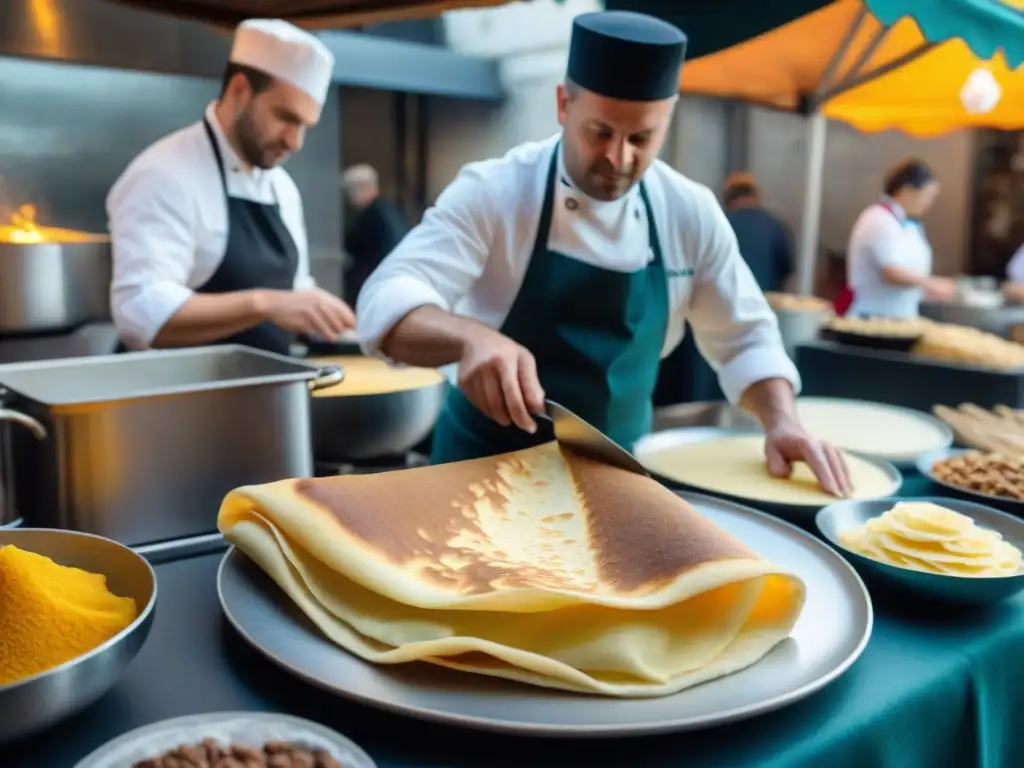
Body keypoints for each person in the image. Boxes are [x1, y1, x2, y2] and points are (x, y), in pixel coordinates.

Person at [356, 11, 852, 496]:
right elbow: (386, 299)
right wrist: (470, 339)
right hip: (482, 475)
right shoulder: (496, 191)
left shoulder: (688, 212)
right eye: (600, 133)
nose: (619, 159)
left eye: (642, 138)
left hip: (615, 484)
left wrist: (782, 421)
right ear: (562, 106)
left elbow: (745, 339)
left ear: (668, 119)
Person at [107, 19, 355, 354]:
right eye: (286, 117)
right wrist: (262, 304)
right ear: (240, 90)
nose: (295, 142)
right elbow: (140, 313)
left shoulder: (281, 186)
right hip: (182, 400)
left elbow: (292, 293)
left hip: (263, 396)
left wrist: (325, 312)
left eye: (305, 126)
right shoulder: (163, 174)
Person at [844, 158, 957, 318]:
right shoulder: (879, 220)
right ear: (907, 190)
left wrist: (928, 290)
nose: (929, 203)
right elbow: (892, 273)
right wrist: (932, 284)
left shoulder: (909, 225)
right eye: (928, 196)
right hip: (873, 317)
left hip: (901, 315)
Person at [342, 164, 409, 306]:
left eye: (350, 192)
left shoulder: (371, 216)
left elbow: (352, 244)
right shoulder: (391, 210)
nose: (349, 198)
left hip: (377, 283)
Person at [722, 172, 793, 293]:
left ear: (728, 199)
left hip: (726, 301)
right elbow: (787, 269)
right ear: (755, 196)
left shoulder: (722, 224)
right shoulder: (776, 225)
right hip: (765, 302)